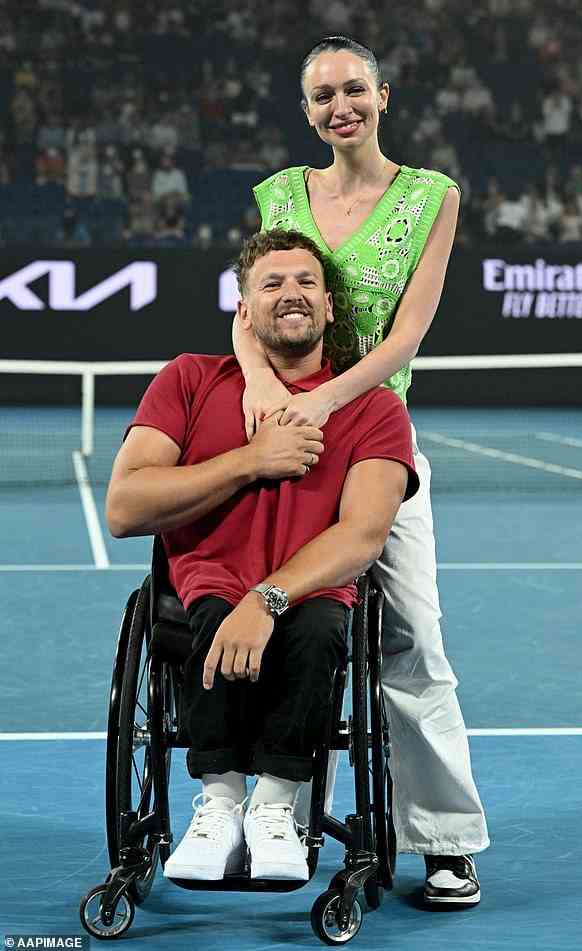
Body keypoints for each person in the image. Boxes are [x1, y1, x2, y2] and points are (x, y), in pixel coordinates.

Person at [232, 35, 489, 907]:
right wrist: (268, 385)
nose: (338, 106)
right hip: (290, 447)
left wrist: (327, 400)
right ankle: (286, 819)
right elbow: (249, 311)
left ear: (383, 94)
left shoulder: (431, 197)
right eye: (320, 96)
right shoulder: (278, 195)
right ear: (306, 112)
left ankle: (446, 840)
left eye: (353, 89)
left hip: (378, 437)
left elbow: (408, 335)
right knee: (295, 624)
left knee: (414, 640)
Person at [105, 228, 418, 883]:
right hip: (203, 593)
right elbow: (126, 507)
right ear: (243, 312)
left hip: (307, 598)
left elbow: (363, 535)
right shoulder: (188, 379)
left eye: (306, 281)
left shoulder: (376, 409)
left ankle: (275, 806)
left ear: (330, 306)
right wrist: (252, 460)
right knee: (208, 615)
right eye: (271, 284)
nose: (291, 294)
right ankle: (218, 805)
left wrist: (267, 596)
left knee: (322, 625)